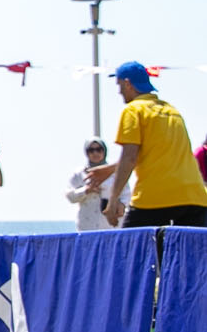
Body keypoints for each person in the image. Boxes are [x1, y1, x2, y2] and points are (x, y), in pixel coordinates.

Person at [91, 63, 207, 228]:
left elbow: (129, 157)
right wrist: (111, 169)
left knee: (130, 249)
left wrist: (113, 200)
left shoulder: (133, 110)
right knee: (187, 253)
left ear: (127, 83)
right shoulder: (171, 110)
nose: (119, 91)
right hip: (195, 198)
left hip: (156, 197)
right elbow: (154, 153)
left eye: (119, 85)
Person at [68, 137, 125, 232]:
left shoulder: (115, 172)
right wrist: (86, 190)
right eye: (91, 150)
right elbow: (70, 196)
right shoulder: (79, 174)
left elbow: (126, 195)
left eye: (99, 149)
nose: (95, 153)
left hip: (111, 226)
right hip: (87, 225)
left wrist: (120, 205)